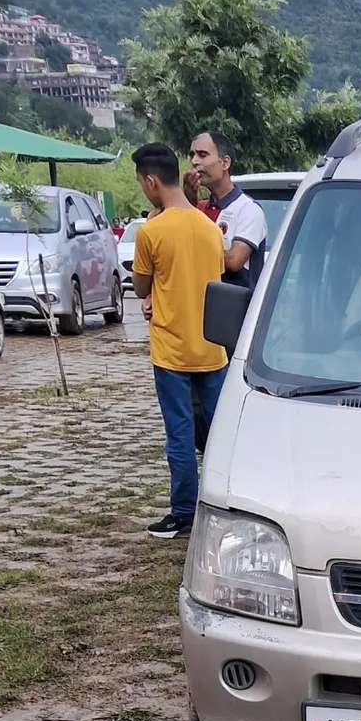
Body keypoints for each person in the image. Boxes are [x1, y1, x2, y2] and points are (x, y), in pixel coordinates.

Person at [130, 143, 227, 540]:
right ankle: (226, 503)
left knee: (180, 434)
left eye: (141, 183)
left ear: (152, 181)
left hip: (171, 350)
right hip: (212, 347)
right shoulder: (209, 227)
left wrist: (153, 296)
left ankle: (184, 511)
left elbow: (140, 286)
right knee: (220, 434)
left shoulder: (151, 230)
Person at [190, 130, 267, 288]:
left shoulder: (248, 209)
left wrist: (190, 249)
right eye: (192, 155)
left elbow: (234, 261)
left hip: (234, 310)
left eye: (202, 155)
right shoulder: (198, 208)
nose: (195, 161)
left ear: (225, 163)